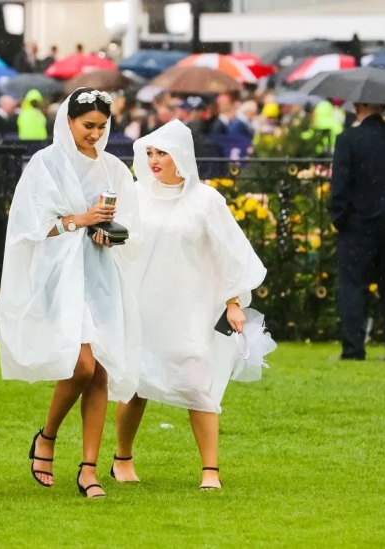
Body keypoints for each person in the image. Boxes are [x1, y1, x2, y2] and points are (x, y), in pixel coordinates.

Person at [0, 88, 143, 498]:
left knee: (99, 369)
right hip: (60, 276)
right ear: (68, 121)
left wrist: (110, 234)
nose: (95, 134)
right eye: (88, 126)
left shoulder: (114, 168)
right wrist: (79, 221)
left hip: (100, 275)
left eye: (102, 126)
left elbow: (132, 224)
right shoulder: (46, 164)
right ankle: (47, 436)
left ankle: (89, 468)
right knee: (81, 365)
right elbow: (31, 226)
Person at [113, 120, 266, 490]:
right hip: (140, 306)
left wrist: (233, 302)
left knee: (199, 384)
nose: (153, 160)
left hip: (189, 308)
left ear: (180, 155)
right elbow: (116, 247)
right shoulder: (132, 196)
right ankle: (122, 458)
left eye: (161, 152)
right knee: (135, 384)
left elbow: (229, 253)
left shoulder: (206, 201)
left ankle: (210, 470)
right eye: (149, 152)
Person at [331, 102, 385, 361]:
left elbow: (340, 185)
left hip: (357, 225)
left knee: (353, 287)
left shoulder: (349, 139)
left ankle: (353, 349)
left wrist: (339, 219)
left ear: (359, 107)